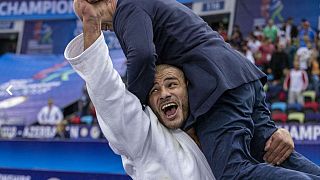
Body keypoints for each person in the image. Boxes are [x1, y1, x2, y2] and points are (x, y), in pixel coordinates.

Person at [75, 0, 320, 179]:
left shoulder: (127, 8)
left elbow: (142, 56)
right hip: (242, 78)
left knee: (232, 174)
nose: (104, 27)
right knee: (274, 153)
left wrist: (136, 104)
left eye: (93, 17)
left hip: (219, 87)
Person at [64, 19, 215, 179]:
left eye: (171, 85)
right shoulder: (146, 138)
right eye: (154, 90)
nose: (164, 94)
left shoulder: (221, 126)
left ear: (187, 86)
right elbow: (108, 92)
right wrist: (91, 23)